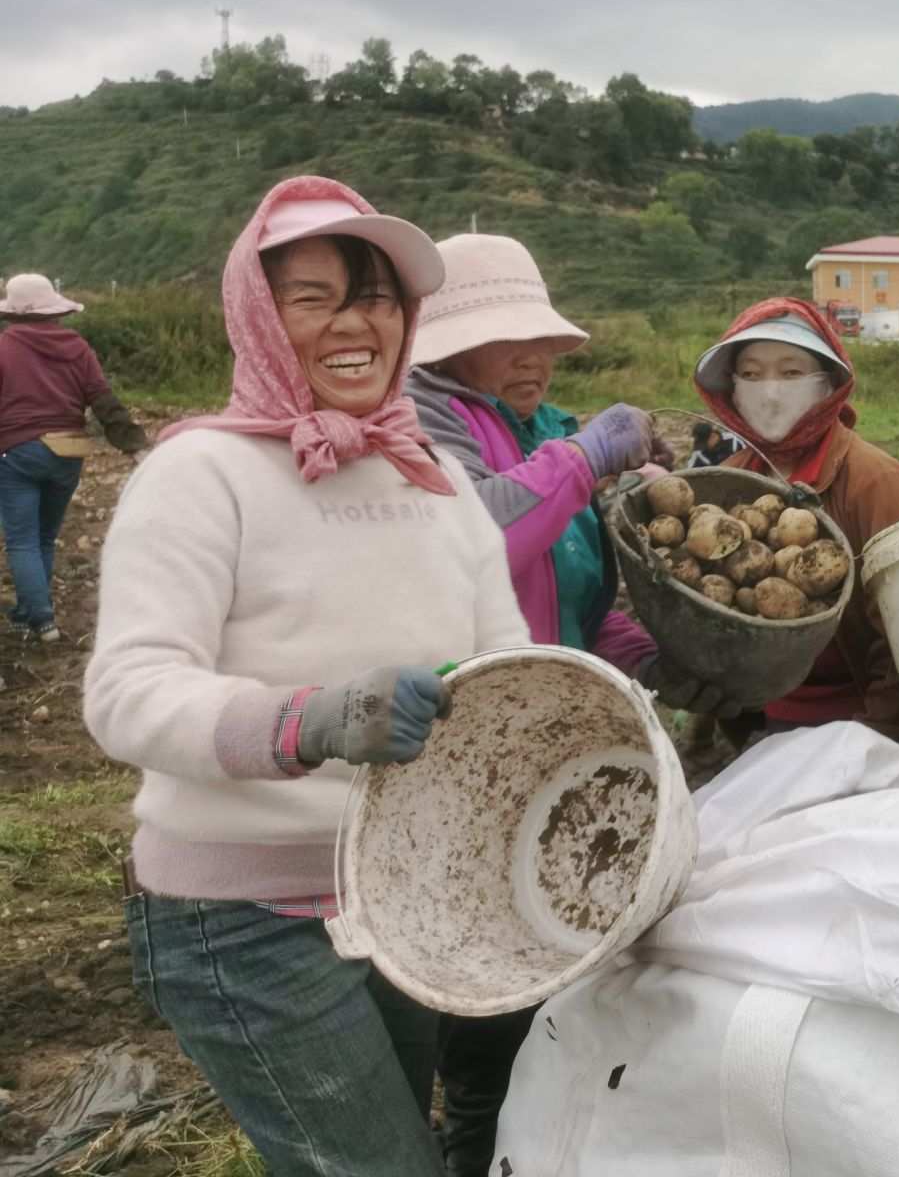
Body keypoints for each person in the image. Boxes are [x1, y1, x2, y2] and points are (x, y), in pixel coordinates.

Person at [83, 177, 530, 1177]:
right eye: (313, 298)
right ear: (258, 314)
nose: (354, 324)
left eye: (376, 298)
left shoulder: (437, 477)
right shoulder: (201, 473)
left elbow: (502, 671)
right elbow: (126, 691)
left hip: (400, 890)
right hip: (241, 917)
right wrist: (310, 721)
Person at [402, 232, 670, 1177]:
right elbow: (477, 539)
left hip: (557, 744)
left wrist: (647, 658)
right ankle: (473, 1152)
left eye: (541, 340)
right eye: (504, 340)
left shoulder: (537, 426)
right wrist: (581, 459)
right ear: (444, 347)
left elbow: (576, 602)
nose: (533, 358)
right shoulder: (416, 427)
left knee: (565, 979)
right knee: (489, 1010)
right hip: (470, 746)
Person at [689, 298, 899, 744]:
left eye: (791, 372)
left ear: (828, 385)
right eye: (751, 374)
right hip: (760, 721)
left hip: (858, 725)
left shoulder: (879, 483)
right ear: (732, 388)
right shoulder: (726, 484)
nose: (771, 391)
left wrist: (868, 743)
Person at [0, 274, 147, 643]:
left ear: (13, 312)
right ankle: (28, 616)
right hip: (67, 453)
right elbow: (103, 399)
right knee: (45, 537)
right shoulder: (78, 348)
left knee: (22, 541)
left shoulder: (4, 348)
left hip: (17, 453)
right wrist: (134, 446)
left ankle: (41, 618)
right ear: (54, 310)